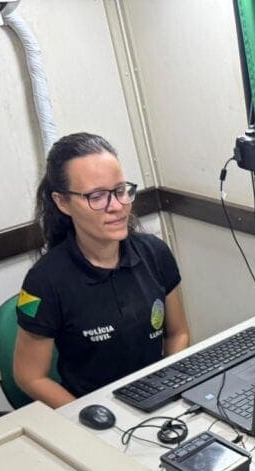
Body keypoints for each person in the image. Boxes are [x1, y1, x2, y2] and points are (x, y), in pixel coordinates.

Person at [14, 133, 190, 408]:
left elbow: (177, 333)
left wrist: (168, 385)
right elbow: (29, 375)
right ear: (62, 203)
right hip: (94, 412)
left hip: (159, 400)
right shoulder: (44, 281)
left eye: (120, 191)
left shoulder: (155, 252)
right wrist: (87, 416)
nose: (117, 207)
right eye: (97, 196)